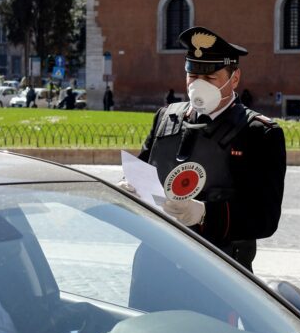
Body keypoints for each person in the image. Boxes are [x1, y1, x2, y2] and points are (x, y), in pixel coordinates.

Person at [120, 26, 286, 272]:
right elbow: (143, 171)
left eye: (209, 78)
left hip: (219, 269)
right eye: (193, 76)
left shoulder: (258, 133)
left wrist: (203, 213)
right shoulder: (166, 118)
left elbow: (265, 218)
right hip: (155, 262)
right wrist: (128, 188)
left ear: (235, 78)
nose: (198, 85)